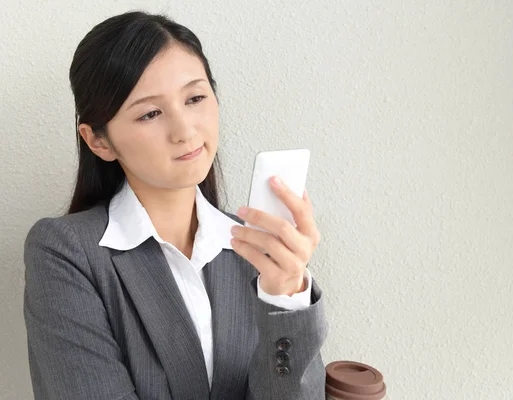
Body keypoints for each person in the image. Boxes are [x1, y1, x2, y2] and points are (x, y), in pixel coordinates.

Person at [23, 10, 328, 400]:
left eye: (196, 98)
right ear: (99, 141)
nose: (185, 130)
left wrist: (286, 299)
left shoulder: (258, 250)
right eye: (150, 113)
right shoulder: (66, 251)